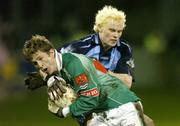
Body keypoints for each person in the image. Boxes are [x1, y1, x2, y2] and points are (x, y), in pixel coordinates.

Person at [22, 35, 145, 126]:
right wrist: (48, 79)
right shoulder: (57, 67)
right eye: (35, 63)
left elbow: (90, 99)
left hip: (120, 107)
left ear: (51, 53)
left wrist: (63, 112)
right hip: (101, 111)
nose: (40, 65)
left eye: (40, 59)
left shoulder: (74, 65)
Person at [60, 5, 133, 88]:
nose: (116, 35)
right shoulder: (81, 46)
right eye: (112, 30)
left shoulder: (124, 48)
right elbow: (53, 58)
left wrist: (100, 71)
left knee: (135, 101)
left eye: (119, 31)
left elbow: (127, 83)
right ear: (100, 27)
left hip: (109, 95)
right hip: (82, 95)